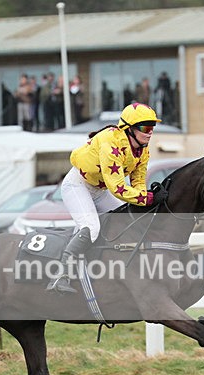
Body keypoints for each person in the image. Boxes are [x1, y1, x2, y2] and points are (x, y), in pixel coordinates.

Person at [47, 102, 168, 293]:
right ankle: (60, 276)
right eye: (145, 127)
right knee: (91, 228)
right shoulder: (111, 143)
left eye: (152, 127)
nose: (150, 132)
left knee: (127, 221)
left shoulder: (143, 150)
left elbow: (137, 183)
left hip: (100, 190)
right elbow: (118, 188)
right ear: (129, 129)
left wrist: (146, 196)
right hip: (78, 186)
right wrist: (149, 199)